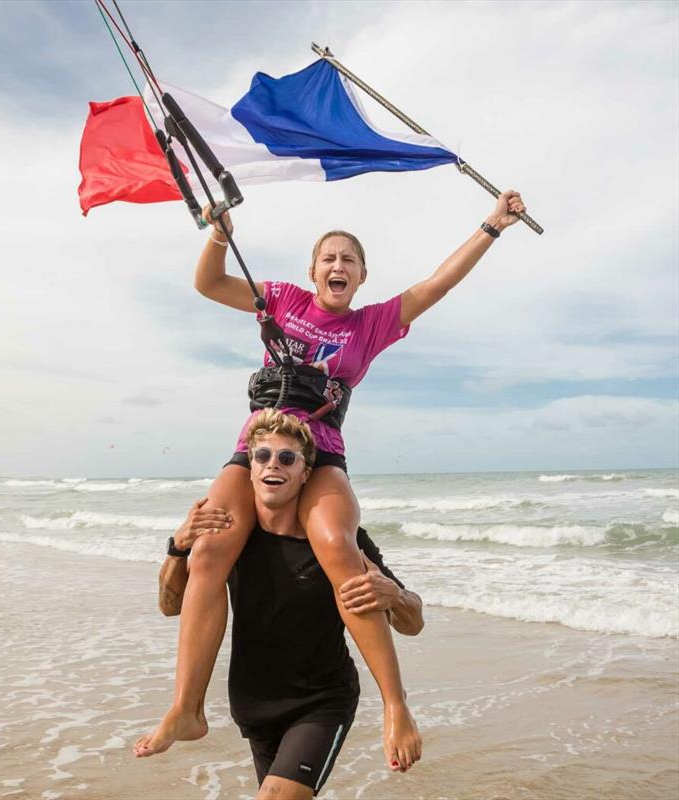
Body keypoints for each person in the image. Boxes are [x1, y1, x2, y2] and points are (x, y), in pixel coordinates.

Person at [138, 190, 527, 766]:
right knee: (210, 544)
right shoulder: (281, 300)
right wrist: (219, 233)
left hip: (320, 451)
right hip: (259, 446)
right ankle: (187, 708)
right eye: (329, 257)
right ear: (312, 271)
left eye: (349, 259)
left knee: (337, 545)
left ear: (362, 275)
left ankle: (394, 704)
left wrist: (493, 225)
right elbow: (209, 284)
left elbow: (437, 284)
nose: (338, 265)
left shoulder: (371, 325)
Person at [136, 410, 424, 797]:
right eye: (263, 456)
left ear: (306, 473)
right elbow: (171, 607)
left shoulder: (339, 539)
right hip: (254, 706)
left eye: (287, 458)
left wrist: (395, 594)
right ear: (249, 469)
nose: (274, 465)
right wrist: (178, 549)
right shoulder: (228, 538)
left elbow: (413, 622)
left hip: (321, 702)